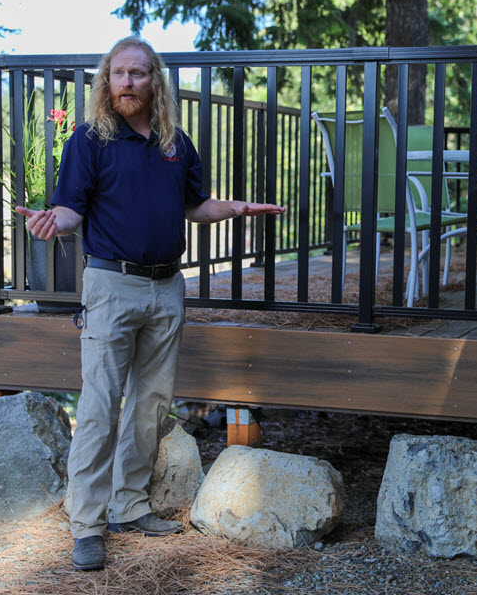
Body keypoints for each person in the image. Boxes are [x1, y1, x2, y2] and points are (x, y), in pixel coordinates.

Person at [15, 36, 285, 571]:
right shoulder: (90, 141)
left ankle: (129, 505)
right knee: (98, 408)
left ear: (154, 81)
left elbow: (194, 205)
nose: (127, 84)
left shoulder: (174, 143)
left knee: (151, 405)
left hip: (167, 287)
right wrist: (51, 222)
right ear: (106, 81)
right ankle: (88, 525)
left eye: (137, 74)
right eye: (118, 74)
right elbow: (70, 211)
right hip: (112, 287)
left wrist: (235, 208)